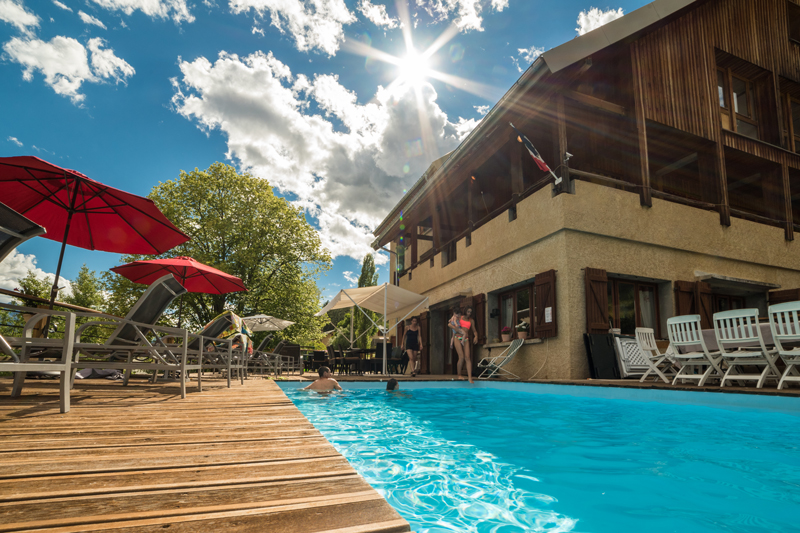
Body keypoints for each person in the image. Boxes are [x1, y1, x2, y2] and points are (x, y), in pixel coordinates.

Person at [447, 307, 474, 384]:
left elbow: (474, 330)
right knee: (461, 357)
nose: (469, 313)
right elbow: (449, 324)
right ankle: (459, 374)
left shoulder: (471, 320)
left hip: (466, 338)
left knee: (467, 357)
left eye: (470, 312)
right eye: (468, 311)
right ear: (465, 312)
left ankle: (470, 377)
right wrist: (454, 328)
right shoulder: (459, 317)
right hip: (457, 337)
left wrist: (476, 335)